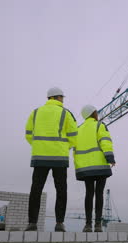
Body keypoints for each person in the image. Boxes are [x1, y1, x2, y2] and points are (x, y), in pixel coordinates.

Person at [24, 87, 77, 232]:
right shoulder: (66, 113)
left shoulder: (35, 112)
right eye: (62, 97)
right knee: (61, 190)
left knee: (36, 189)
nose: (63, 100)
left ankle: (32, 223)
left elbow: (28, 134)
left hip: (39, 156)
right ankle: (59, 223)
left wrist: (39, 146)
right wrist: (64, 147)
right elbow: (74, 135)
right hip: (59, 157)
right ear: (58, 98)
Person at [74, 105, 116, 232]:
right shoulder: (99, 125)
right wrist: (110, 158)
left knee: (89, 193)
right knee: (99, 194)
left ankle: (87, 224)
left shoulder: (78, 129)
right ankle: (98, 224)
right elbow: (105, 142)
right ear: (93, 114)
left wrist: (79, 166)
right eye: (96, 112)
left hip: (85, 168)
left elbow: (75, 150)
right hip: (99, 165)